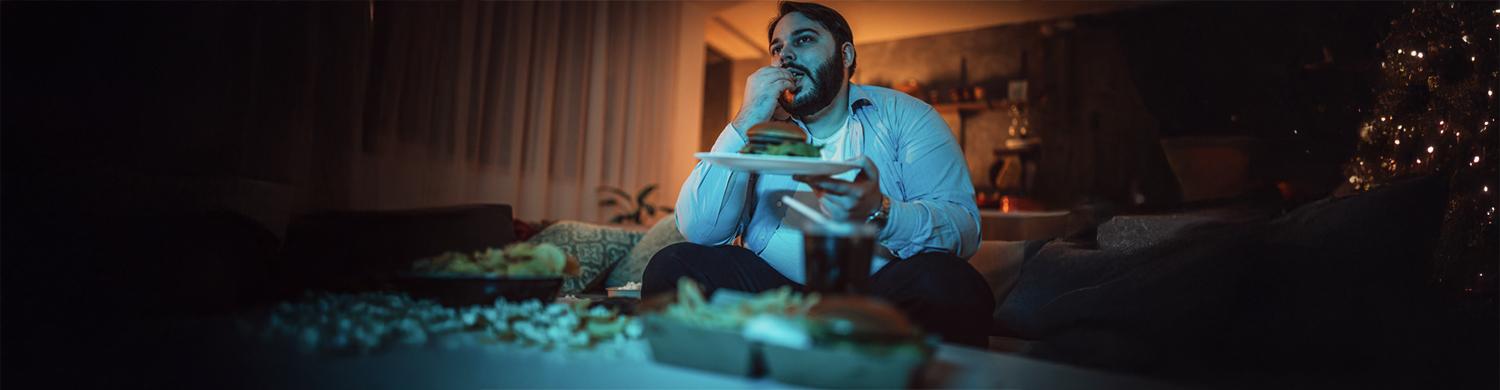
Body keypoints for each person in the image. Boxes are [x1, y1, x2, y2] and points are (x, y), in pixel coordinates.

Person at [643, 1, 993, 347]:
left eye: (804, 40)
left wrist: (881, 212)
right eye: (777, 48)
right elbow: (701, 230)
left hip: (873, 295)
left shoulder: (908, 116)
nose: (786, 56)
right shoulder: (764, 130)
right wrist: (747, 117)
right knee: (672, 264)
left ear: (846, 56)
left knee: (952, 283)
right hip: (772, 295)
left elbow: (963, 229)